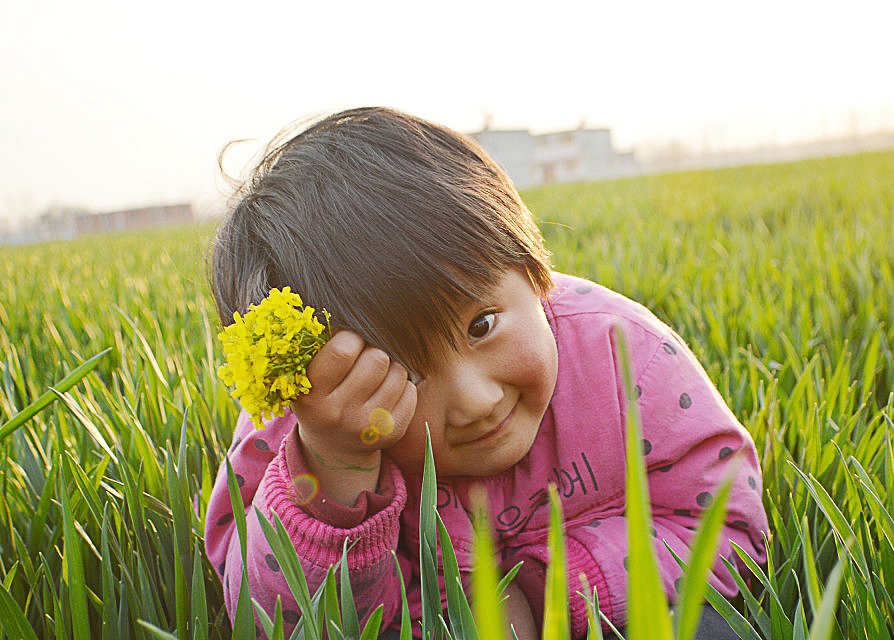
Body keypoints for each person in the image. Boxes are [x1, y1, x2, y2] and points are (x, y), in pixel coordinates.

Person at [203, 107, 768, 639]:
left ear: (530, 266)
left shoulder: (622, 354)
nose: (475, 400)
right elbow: (265, 618)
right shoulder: (304, 424)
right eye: (407, 372)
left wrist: (550, 591)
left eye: (483, 325)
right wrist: (337, 464)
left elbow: (730, 529)